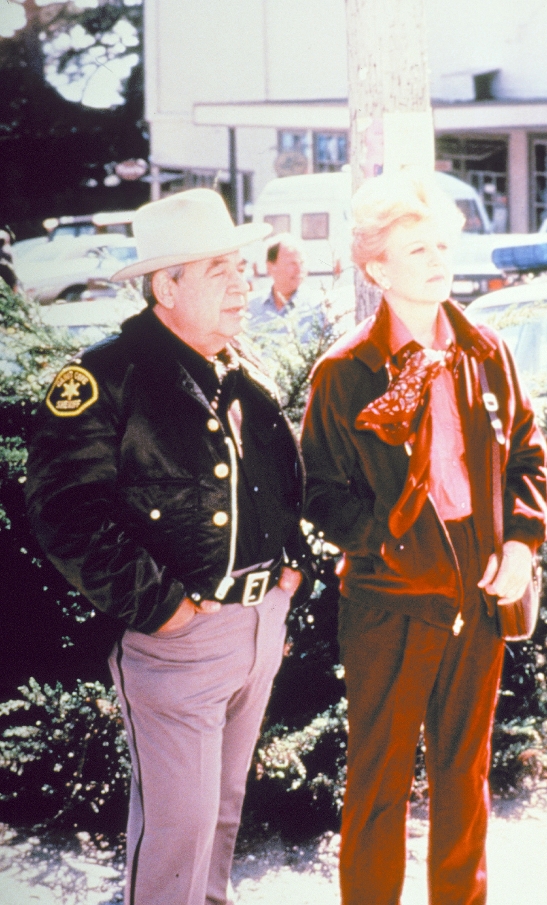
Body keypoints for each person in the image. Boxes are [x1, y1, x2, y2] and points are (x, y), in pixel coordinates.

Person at [25, 188, 310, 905]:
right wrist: (162, 608)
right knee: (178, 831)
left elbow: (280, 482)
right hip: (177, 639)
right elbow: (64, 512)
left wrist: (290, 570)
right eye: (219, 269)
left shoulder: (240, 368)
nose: (241, 282)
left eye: (240, 265)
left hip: (255, 625)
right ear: (167, 286)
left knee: (220, 815)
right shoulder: (103, 378)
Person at [300, 169, 547, 905]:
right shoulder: (345, 372)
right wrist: (388, 542)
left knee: (464, 775)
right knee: (377, 780)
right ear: (376, 269)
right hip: (389, 597)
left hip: (479, 586)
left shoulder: (485, 350)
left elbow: (527, 454)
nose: (439, 260)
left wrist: (520, 545)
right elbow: (319, 491)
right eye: (417, 250)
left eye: (442, 244)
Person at [247, 233, 308, 327]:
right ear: (271, 267)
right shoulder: (251, 307)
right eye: (292, 264)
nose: (299, 270)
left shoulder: (319, 307)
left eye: (302, 263)